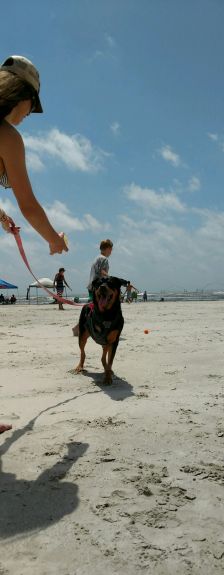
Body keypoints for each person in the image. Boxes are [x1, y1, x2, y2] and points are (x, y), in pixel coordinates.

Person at [0, 55, 68, 433]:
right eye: (32, 105)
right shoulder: (7, 136)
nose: (30, 114)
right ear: (20, 95)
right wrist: (53, 239)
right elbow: (29, 203)